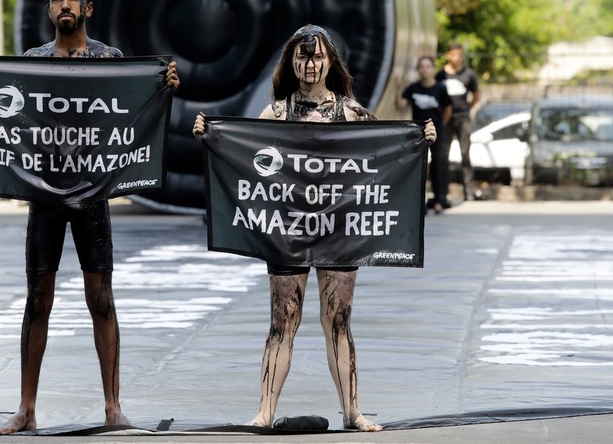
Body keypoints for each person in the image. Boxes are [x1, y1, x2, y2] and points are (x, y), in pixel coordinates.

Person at [0, 0, 180, 435]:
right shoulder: (32, 59)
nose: (64, 4)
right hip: (45, 194)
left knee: (102, 300)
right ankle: (26, 410)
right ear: (49, 9)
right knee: (37, 301)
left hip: (93, 194)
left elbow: (136, 106)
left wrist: (162, 84)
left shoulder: (111, 58)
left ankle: (114, 408)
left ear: (88, 7)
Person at [192, 25, 436, 432]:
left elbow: (386, 152)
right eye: (303, 57)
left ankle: (353, 411)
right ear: (291, 61)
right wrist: (212, 137)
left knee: (338, 321)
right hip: (287, 229)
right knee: (281, 322)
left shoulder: (352, 113)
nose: (310, 64)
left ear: (330, 62)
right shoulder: (276, 113)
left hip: (339, 229)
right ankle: (265, 411)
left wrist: (420, 139)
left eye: (318, 56)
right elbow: (245, 153)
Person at [397, 55, 452, 214]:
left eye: (427, 66)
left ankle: (439, 200)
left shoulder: (440, 88)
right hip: (417, 132)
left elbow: (448, 108)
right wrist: (399, 87)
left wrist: (441, 124)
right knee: (418, 166)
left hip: (436, 131)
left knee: (437, 164)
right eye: (421, 67)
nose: (424, 70)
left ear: (432, 69)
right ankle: (418, 200)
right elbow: (401, 104)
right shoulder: (414, 88)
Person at [435, 43, 479, 202]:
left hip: (463, 117)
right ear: (448, 55)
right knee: (443, 155)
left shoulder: (469, 75)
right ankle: (443, 193)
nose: (457, 58)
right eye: (454, 54)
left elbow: (476, 96)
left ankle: (468, 192)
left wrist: (466, 109)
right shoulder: (440, 75)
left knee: (465, 153)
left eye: (460, 54)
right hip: (446, 119)